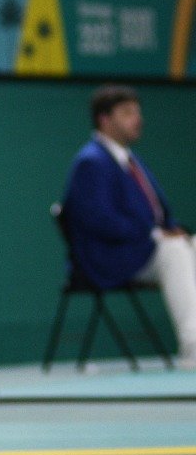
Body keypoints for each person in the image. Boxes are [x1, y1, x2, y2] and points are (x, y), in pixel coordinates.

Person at [62, 85, 196, 368]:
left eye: (137, 112)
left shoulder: (131, 159)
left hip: (142, 249)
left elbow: (158, 212)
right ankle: (193, 345)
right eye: (127, 113)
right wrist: (156, 234)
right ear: (104, 120)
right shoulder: (91, 162)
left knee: (188, 244)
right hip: (109, 259)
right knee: (173, 251)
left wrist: (171, 228)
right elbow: (101, 221)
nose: (137, 119)